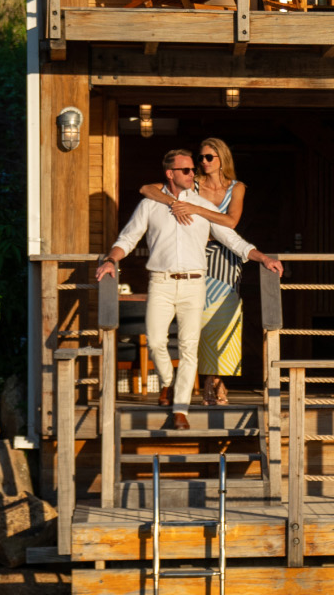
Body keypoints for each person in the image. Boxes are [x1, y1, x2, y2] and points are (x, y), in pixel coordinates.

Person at [98, 148, 281, 428]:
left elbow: (233, 240)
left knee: (188, 348)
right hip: (160, 282)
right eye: (185, 170)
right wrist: (111, 259)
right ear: (170, 174)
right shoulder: (150, 204)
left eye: (193, 169)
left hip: (196, 285)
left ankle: (180, 410)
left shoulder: (202, 206)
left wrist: (263, 257)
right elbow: (128, 237)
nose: (192, 174)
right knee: (157, 341)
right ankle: (168, 383)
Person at [138, 136, 246, 406]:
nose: (203, 162)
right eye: (201, 158)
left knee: (222, 319)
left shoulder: (236, 187)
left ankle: (218, 378)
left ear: (222, 159)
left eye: (209, 157)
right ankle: (199, 382)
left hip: (224, 257)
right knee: (195, 325)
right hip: (194, 257)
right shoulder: (192, 182)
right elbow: (146, 189)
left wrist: (196, 208)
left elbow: (231, 221)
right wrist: (173, 203)